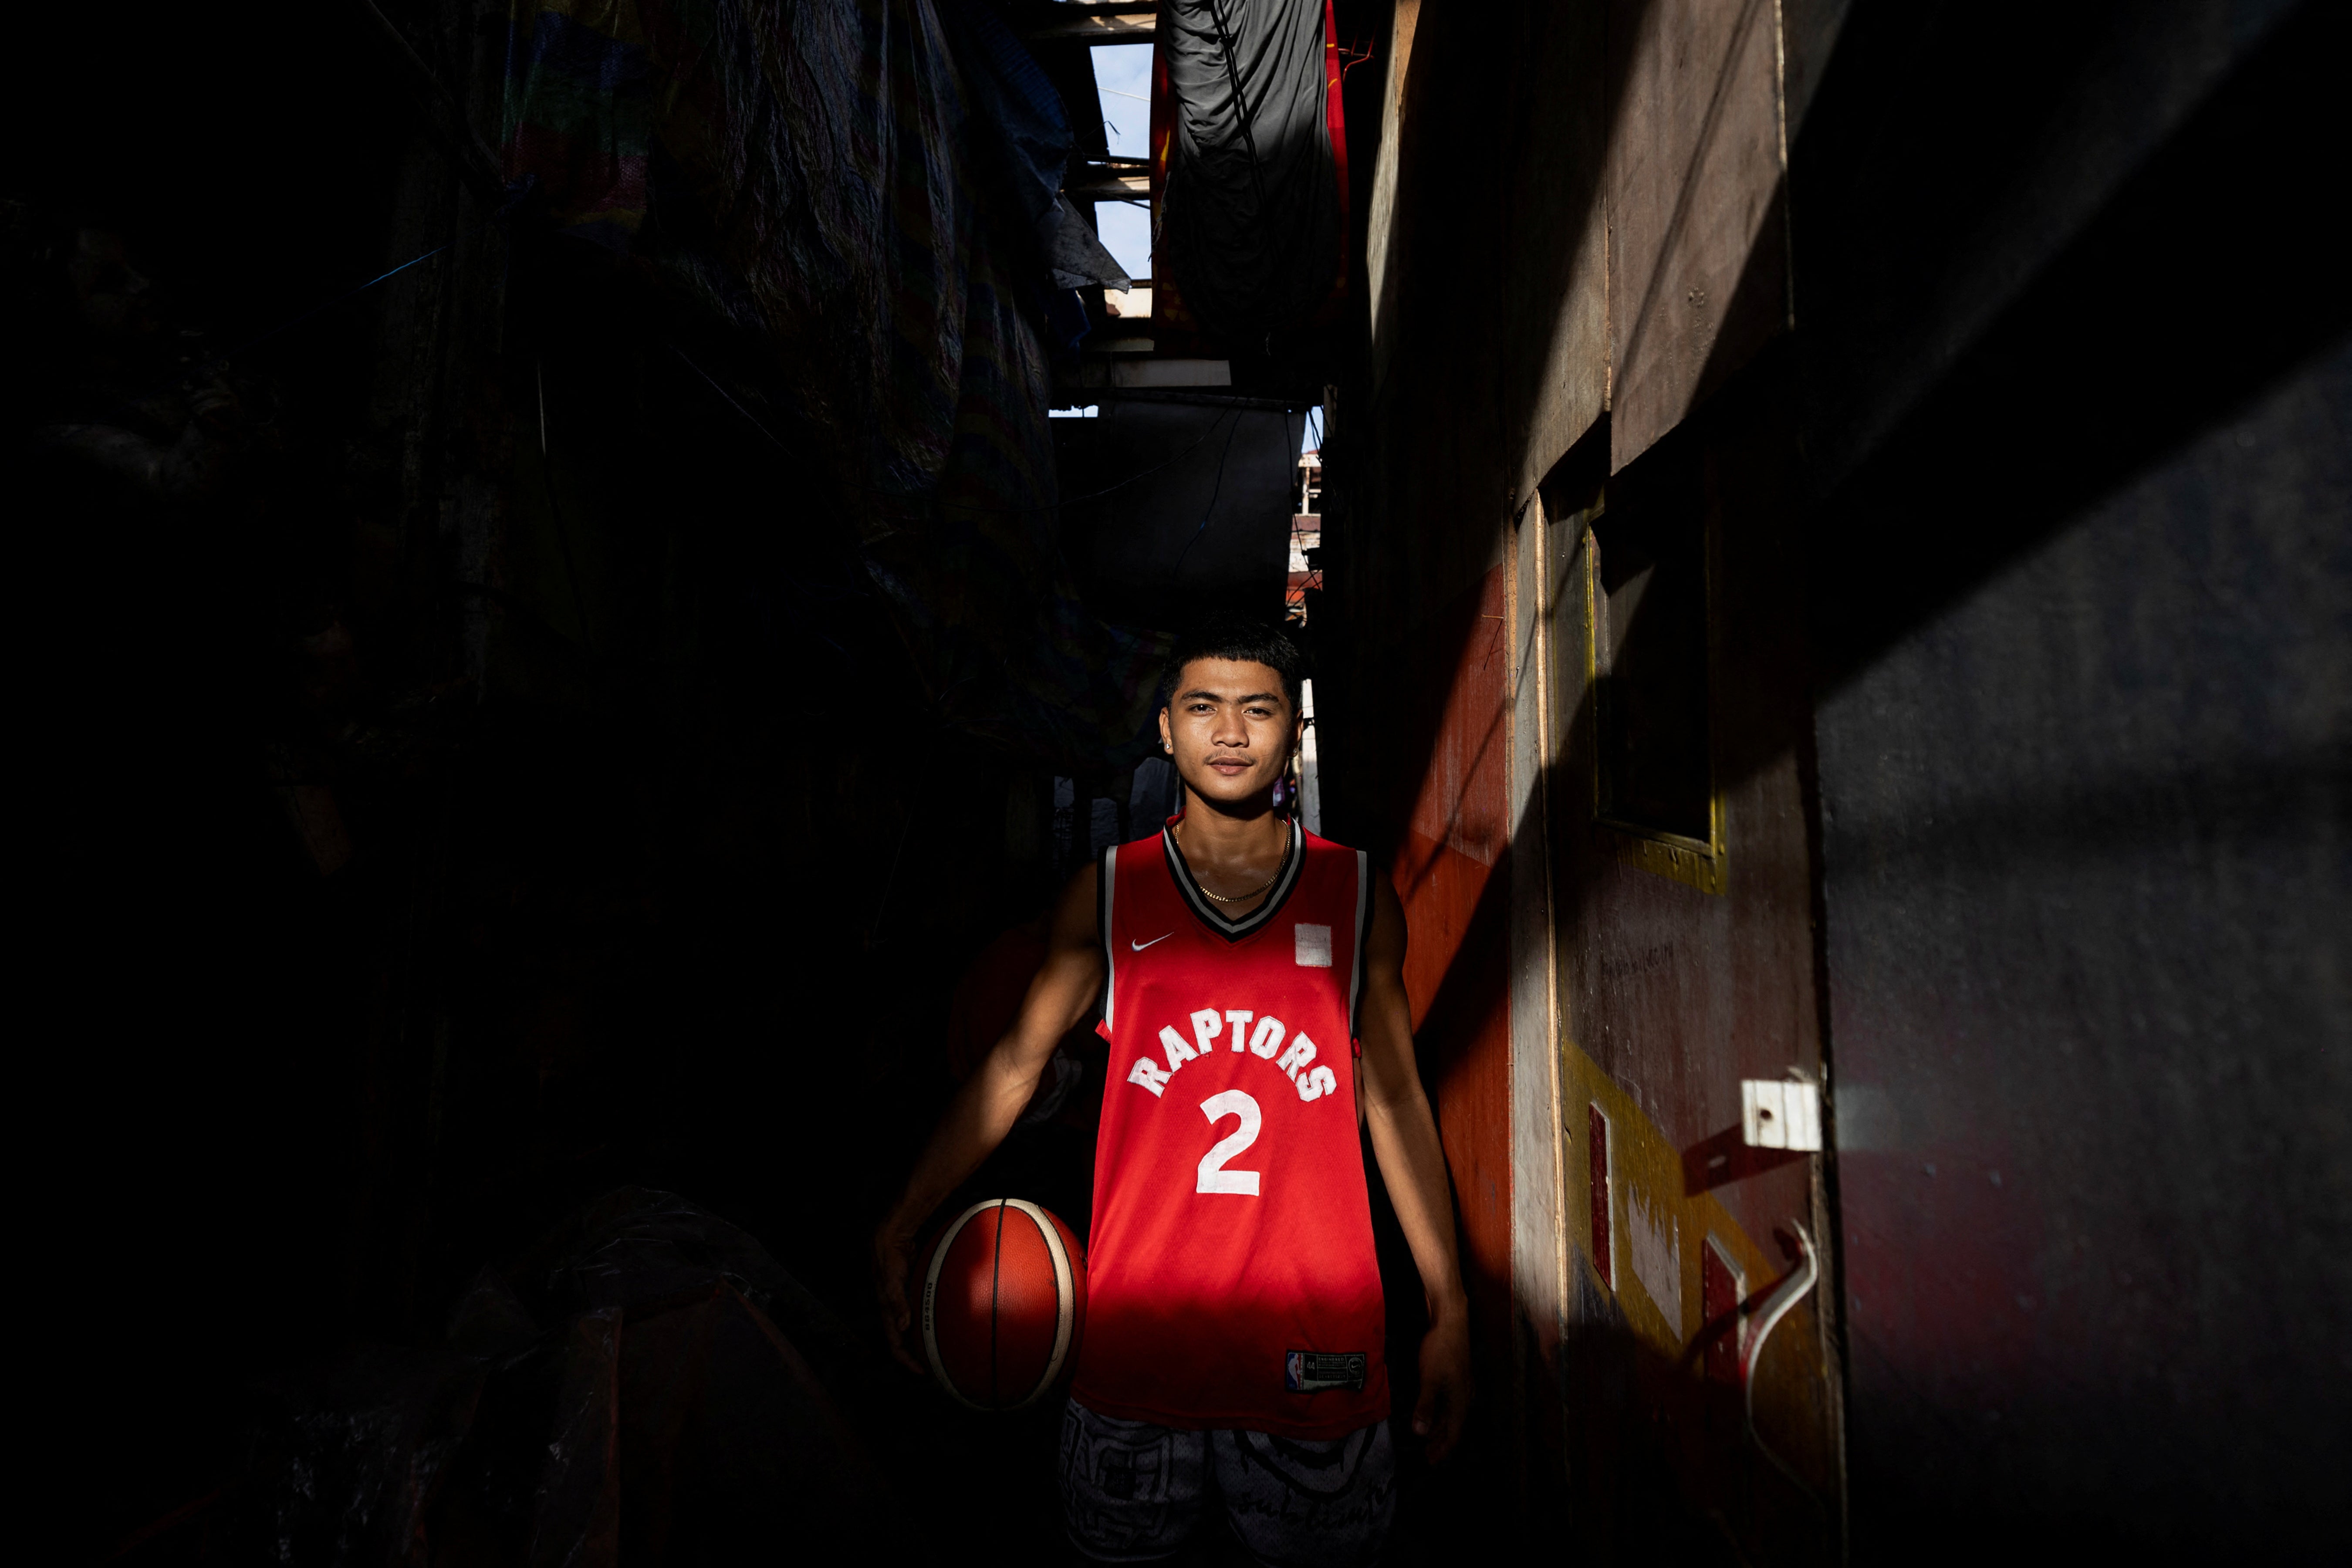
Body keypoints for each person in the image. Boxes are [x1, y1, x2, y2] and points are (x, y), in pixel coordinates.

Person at [873, 615, 1471, 1565]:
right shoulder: (1108, 895)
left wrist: (1449, 1305)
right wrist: (906, 1217)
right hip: (1134, 1369)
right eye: (1203, 707)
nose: (1229, 732)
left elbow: (1394, 1101)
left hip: (1315, 1367)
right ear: (1165, 729)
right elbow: (1013, 1068)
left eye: (1257, 709)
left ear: (1290, 734)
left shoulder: (1358, 896)